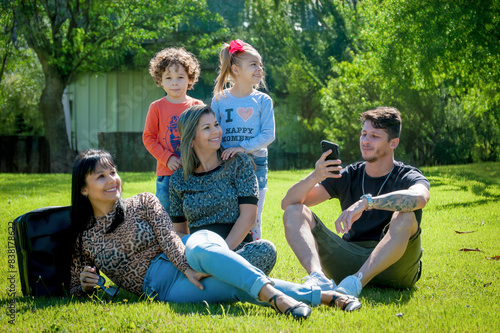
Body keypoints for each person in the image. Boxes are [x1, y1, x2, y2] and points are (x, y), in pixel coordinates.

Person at [69, 149, 362, 321]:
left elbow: (169, 237)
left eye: (113, 172)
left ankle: (275, 297)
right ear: (83, 189)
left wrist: (188, 267)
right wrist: (86, 287)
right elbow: (72, 289)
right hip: (163, 288)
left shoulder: (142, 202)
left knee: (206, 249)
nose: (113, 180)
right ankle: (324, 296)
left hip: (189, 251)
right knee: (235, 288)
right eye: (101, 176)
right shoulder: (84, 239)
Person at [282, 107, 431, 297]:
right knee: (294, 211)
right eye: (364, 134)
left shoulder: (408, 175)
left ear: (393, 143)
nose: (366, 141)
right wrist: (314, 176)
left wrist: (367, 202)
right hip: (350, 257)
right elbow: (289, 203)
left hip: (397, 266)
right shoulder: (349, 175)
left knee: (405, 216)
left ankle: (357, 281)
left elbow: (419, 198)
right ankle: (318, 279)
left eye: (375, 136)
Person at [169, 105, 276, 275]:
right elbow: (180, 231)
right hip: (200, 256)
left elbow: (248, 217)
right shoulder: (178, 179)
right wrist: (200, 257)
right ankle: (227, 282)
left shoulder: (238, 163)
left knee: (265, 250)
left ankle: (210, 278)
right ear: (191, 139)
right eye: (207, 128)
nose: (216, 131)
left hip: (236, 252)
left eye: (216, 125)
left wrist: (219, 257)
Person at [211, 39, 275, 241]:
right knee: (228, 213)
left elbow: (268, 134)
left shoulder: (263, 100)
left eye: (260, 65)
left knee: (253, 216)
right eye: (253, 64)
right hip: (226, 164)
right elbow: (212, 133)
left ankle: (256, 253)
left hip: (255, 164)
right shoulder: (220, 99)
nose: (260, 69)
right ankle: (230, 254)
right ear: (236, 69)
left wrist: (242, 148)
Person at [143, 47, 203, 214]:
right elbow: (148, 138)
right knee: (165, 217)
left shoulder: (197, 106)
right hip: (166, 174)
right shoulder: (156, 107)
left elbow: (204, 137)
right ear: (160, 81)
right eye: (168, 78)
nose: (174, 82)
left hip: (194, 173)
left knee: (194, 215)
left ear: (190, 79)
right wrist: (166, 157)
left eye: (180, 77)